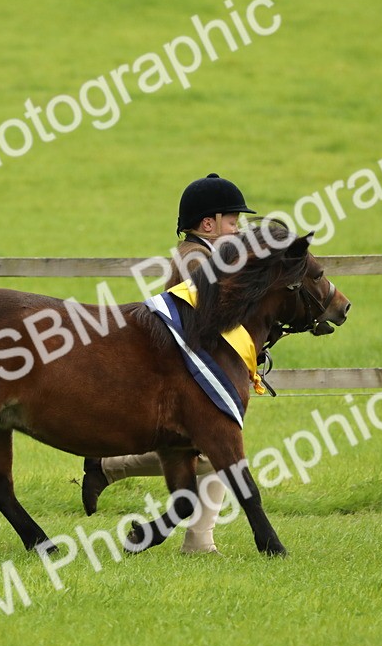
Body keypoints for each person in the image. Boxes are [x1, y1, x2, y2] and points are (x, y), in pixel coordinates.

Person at [81, 173, 255, 555]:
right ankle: (195, 538)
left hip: (192, 369)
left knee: (212, 452)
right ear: (208, 224)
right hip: (185, 374)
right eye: (232, 222)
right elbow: (211, 312)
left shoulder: (202, 254)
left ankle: (195, 537)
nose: (238, 229)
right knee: (215, 453)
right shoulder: (194, 259)